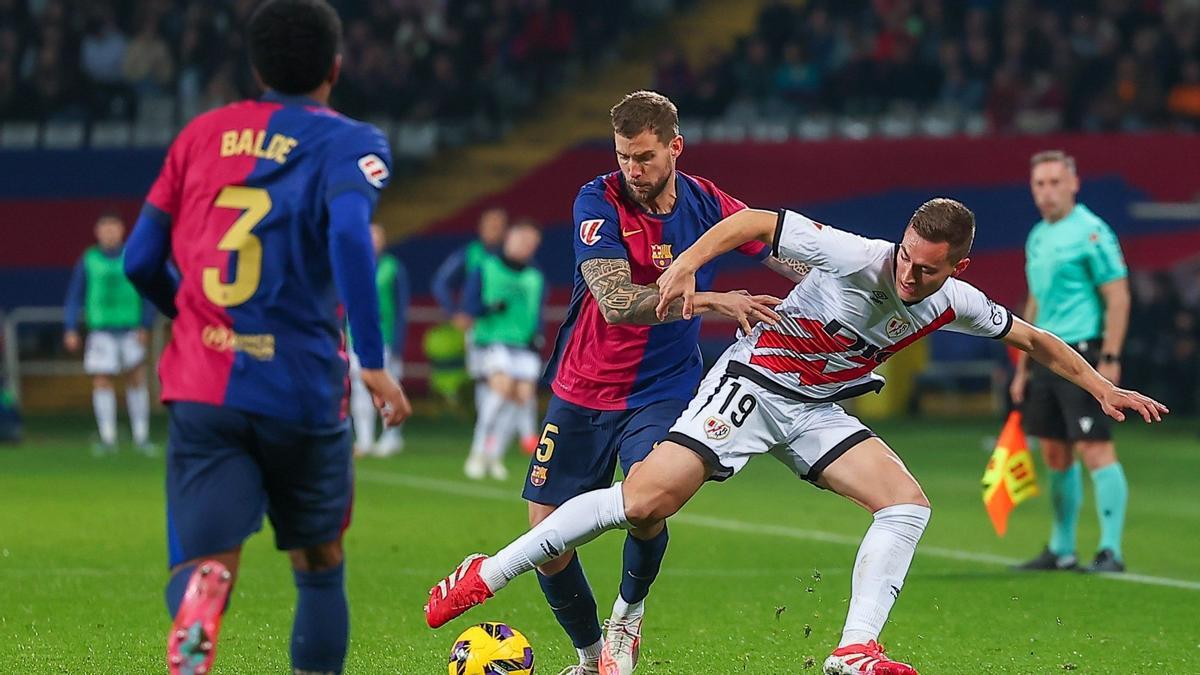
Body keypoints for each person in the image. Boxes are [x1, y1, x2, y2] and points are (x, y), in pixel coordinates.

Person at [424, 198, 1167, 675]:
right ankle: (489, 571)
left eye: (926, 268)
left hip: (816, 410)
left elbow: (1034, 338)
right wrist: (686, 264)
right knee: (646, 498)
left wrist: (1102, 386)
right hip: (751, 385)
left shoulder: (960, 299)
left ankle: (852, 649)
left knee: (906, 504)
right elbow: (754, 225)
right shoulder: (853, 251)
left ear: (958, 268)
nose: (907, 273)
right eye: (906, 255)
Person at [431, 90, 803, 675]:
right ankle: (587, 658)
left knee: (648, 503)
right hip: (582, 386)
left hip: (662, 387)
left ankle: (626, 619)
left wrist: (845, 290)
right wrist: (712, 299)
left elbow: (786, 253)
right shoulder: (597, 200)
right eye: (624, 155)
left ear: (675, 148)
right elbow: (616, 302)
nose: (633, 170)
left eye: (646, 157)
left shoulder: (704, 199)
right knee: (547, 536)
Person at [121, 1, 410, 674]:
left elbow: (138, 258)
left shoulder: (198, 136)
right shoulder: (349, 141)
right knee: (318, 563)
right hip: (300, 385)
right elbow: (347, 234)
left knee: (203, 563)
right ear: (335, 67)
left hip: (202, 384)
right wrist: (371, 359)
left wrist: (188, 314)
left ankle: (199, 598)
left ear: (255, 66)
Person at [1009, 150, 1133, 574]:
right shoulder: (1038, 236)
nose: (1046, 192)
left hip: (1083, 352)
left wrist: (1110, 359)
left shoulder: (1092, 231)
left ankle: (1110, 550)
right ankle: (1062, 549)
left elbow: (1117, 296)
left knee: (1095, 449)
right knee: (1055, 454)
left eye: (1054, 183)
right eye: (1039, 184)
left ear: (1073, 184)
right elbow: (1036, 301)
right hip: (1044, 355)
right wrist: (1023, 366)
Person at [64, 212, 156, 455]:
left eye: (113, 227)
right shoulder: (89, 259)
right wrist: (71, 327)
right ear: (97, 232)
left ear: (122, 230)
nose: (109, 232)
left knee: (136, 377)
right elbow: (75, 295)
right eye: (104, 228)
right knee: (102, 379)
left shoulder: (133, 255)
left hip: (130, 329)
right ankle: (108, 437)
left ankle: (141, 436)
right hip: (101, 330)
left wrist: (146, 324)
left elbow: (148, 290)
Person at [462, 220, 545, 480]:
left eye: (530, 243)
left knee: (522, 397)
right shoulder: (487, 268)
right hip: (492, 340)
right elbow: (469, 305)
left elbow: (536, 312)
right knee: (501, 389)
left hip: (523, 344)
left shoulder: (534, 277)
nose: (524, 247)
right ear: (508, 241)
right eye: (520, 241)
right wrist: (488, 308)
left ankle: (494, 454)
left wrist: (537, 335)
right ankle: (477, 452)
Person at [432, 206, 509, 421]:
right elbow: (440, 283)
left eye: (499, 225)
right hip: (478, 325)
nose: (495, 229)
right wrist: (454, 312)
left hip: (507, 327)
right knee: (483, 376)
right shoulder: (470, 253)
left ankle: (497, 430)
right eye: (491, 225)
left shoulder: (511, 255)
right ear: (481, 228)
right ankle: (485, 428)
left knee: (508, 378)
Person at [350, 223, 410, 457]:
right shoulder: (352, 266)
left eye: (377, 237)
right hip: (356, 337)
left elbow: (401, 306)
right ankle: (364, 439)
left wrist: (398, 343)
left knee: (388, 387)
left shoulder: (393, 268)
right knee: (359, 387)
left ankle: (391, 436)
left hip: (384, 337)